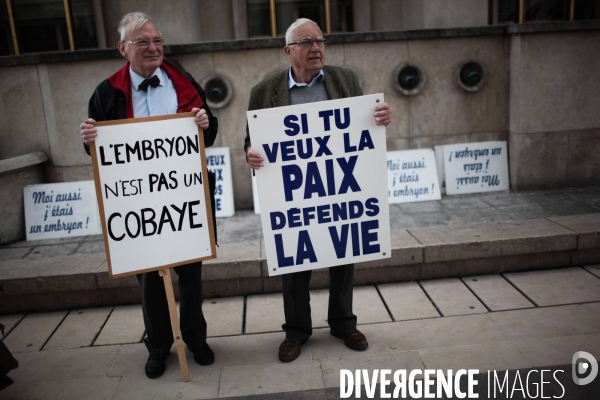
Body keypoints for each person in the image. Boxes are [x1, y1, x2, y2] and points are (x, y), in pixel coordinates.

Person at [244, 18, 392, 362]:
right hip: (296, 192)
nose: (316, 48)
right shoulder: (264, 92)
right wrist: (250, 155)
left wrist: (380, 117)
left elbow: (363, 125)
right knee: (295, 260)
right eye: (306, 42)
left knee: (344, 252)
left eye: (320, 41)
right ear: (288, 52)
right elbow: (252, 141)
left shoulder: (345, 79)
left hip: (339, 187)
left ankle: (343, 323)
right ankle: (296, 332)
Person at [79, 12, 218, 379]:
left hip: (184, 197)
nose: (154, 47)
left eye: (157, 40)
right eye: (143, 42)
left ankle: (195, 338)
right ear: (123, 49)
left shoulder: (181, 79)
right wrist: (90, 141)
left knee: (190, 274)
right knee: (150, 280)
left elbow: (210, 131)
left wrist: (206, 123)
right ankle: (158, 344)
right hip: (138, 205)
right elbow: (99, 154)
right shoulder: (106, 92)